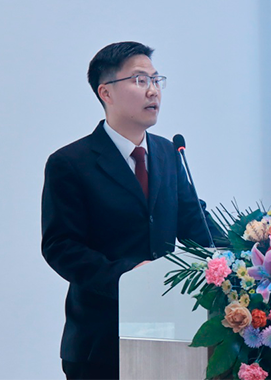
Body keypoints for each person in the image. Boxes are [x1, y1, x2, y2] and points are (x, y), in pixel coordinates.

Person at [41, 42, 214, 380]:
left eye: (156, 80)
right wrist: (129, 275)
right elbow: (61, 246)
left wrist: (245, 251)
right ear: (106, 92)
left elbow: (197, 225)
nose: (153, 90)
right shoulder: (70, 163)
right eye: (139, 80)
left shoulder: (168, 153)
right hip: (101, 340)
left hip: (170, 333)